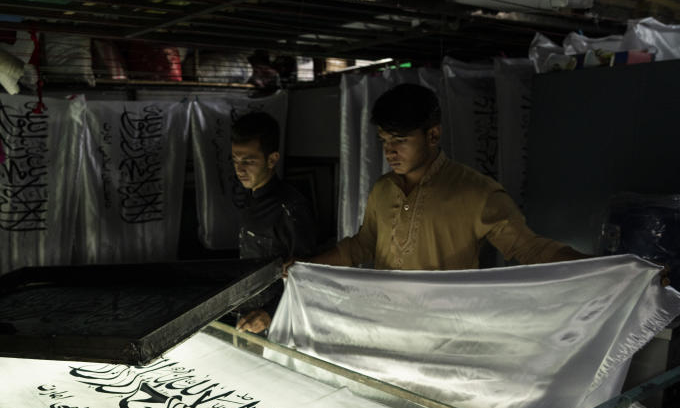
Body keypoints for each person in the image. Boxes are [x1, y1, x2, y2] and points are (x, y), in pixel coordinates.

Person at [307, 83, 588, 271]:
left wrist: (603, 270)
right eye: (383, 140)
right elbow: (362, 245)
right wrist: (306, 266)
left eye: (400, 140)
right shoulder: (383, 189)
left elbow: (531, 250)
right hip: (387, 324)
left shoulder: (476, 192)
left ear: (433, 135)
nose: (389, 151)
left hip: (445, 333)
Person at [231, 111, 318, 333]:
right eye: (236, 160)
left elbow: (307, 275)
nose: (240, 169)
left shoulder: (290, 207)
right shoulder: (249, 196)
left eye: (249, 161)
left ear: (272, 159)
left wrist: (270, 312)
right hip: (247, 315)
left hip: (278, 324)